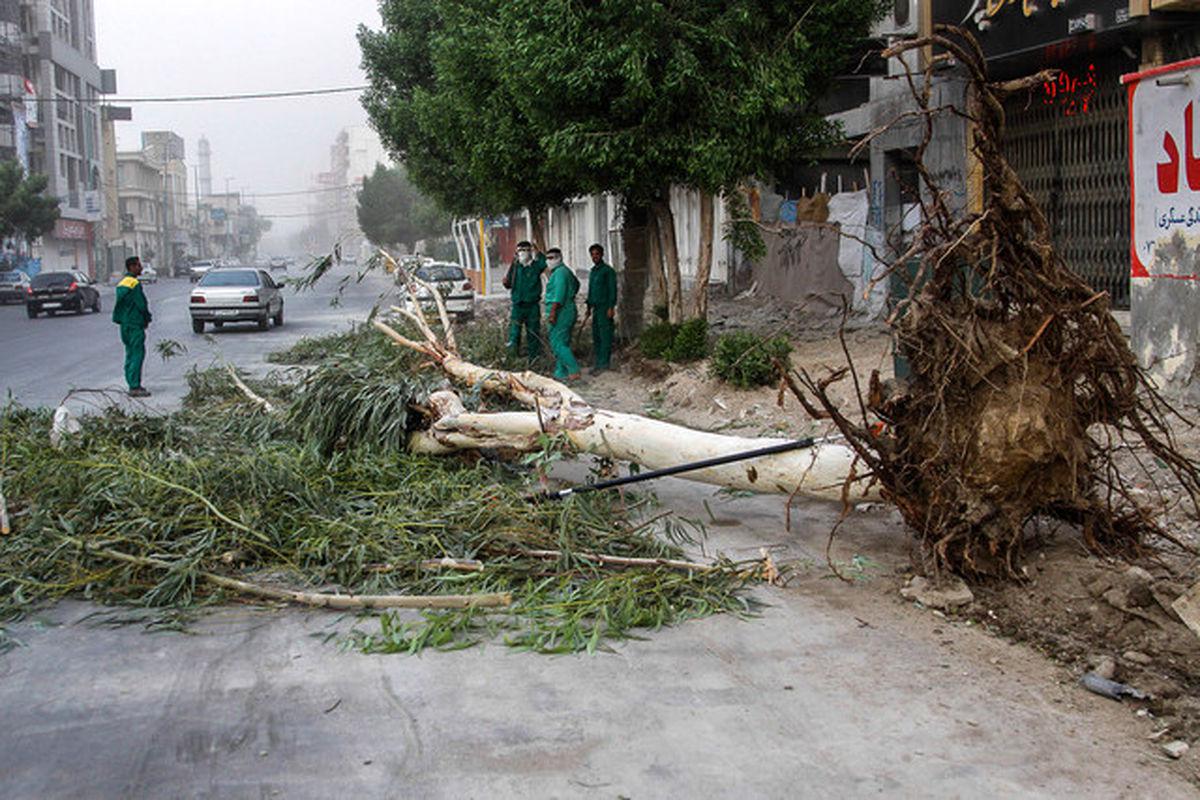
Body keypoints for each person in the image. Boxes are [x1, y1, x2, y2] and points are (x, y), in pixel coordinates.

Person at [112, 256, 153, 397]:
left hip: (124, 324)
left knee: (129, 353)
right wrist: (147, 317)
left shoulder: (122, 283)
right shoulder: (134, 284)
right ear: (132, 267)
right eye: (138, 266)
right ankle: (135, 386)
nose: (141, 268)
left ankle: (130, 382)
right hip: (135, 324)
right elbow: (141, 304)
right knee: (137, 353)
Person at [503, 240, 546, 359]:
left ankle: (534, 359)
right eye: (520, 250)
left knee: (533, 333)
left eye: (525, 250)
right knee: (514, 333)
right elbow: (509, 282)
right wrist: (505, 283)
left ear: (530, 251)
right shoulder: (516, 266)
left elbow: (544, 262)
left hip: (532, 306)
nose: (522, 253)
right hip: (517, 306)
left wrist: (537, 250)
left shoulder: (536, 266)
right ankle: (513, 358)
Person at [543, 247, 581, 381]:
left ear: (560, 258)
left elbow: (558, 296)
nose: (549, 261)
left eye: (552, 258)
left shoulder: (559, 274)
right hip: (568, 309)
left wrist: (553, 312)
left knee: (557, 343)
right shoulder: (566, 271)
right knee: (563, 341)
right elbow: (577, 285)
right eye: (547, 258)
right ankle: (561, 371)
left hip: (561, 312)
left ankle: (574, 370)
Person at [584, 244, 618, 372]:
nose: (594, 257)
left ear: (602, 254)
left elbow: (612, 290)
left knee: (605, 336)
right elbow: (591, 290)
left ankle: (604, 364)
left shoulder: (608, 271)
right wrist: (588, 307)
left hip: (605, 308)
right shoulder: (593, 271)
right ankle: (598, 363)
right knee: (596, 336)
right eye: (592, 254)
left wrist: (611, 307)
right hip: (595, 309)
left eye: (597, 254)